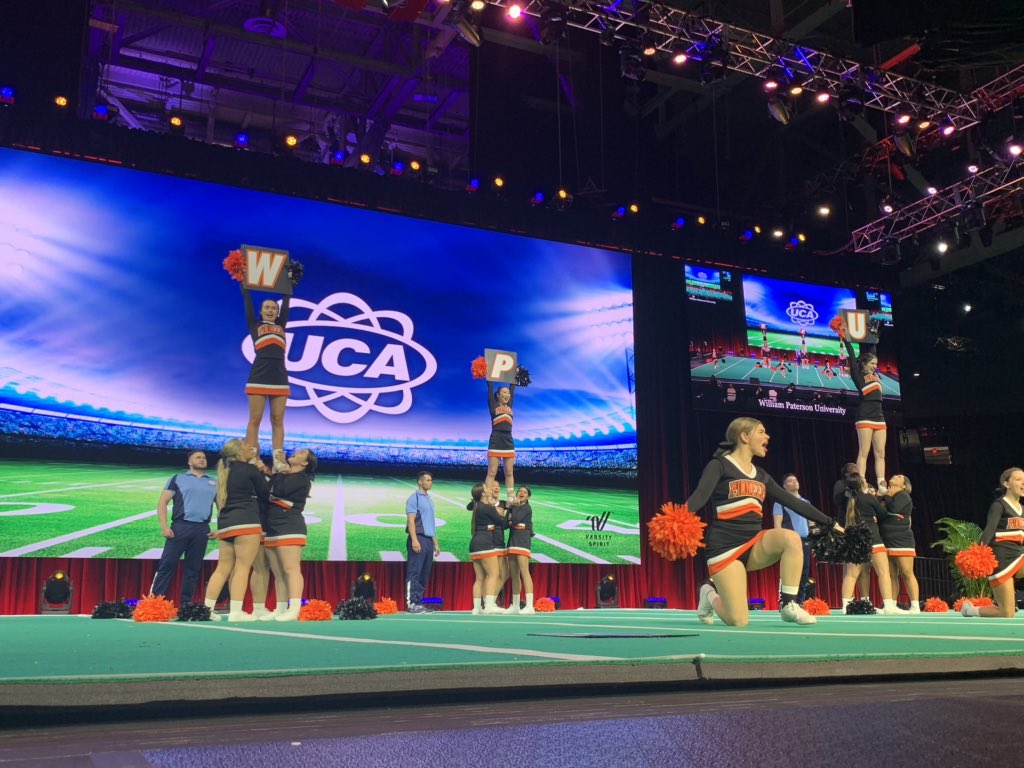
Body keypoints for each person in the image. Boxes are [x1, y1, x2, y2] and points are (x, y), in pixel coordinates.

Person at [691, 417, 842, 627]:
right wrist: (677, 520)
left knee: (790, 537)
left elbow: (794, 502)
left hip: (754, 543)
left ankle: (789, 605)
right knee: (737, 620)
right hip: (724, 549)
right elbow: (700, 496)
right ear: (744, 436)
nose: (767, 436)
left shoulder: (761, 475)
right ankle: (707, 593)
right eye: (761, 432)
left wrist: (831, 523)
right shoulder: (720, 465)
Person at [202, 440, 267, 621]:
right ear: (239, 452)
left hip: (226, 523)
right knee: (242, 567)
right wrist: (262, 472)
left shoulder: (225, 470)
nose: (251, 447)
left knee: (222, 568)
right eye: (247, 445)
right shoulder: (249, 469)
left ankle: (207, 610)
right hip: (246, 521)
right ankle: (236, 612)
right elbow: (265, 494)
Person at [149, 450, 217, 607]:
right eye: (198, 457)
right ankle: (155, 604)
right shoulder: (178, 478)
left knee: (193, 570)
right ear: (189, 462)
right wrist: (164, 526)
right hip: (180, 527)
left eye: (204, 457)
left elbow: (222, 507)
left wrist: (220, 528)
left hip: (202, 529)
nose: (202, 460)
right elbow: (162, 503)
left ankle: (186, 606)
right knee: (167, 565)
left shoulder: (214, 482)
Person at [262, 448, 317, 621]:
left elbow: (280, 491)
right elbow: (267, 492)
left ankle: (294, 608)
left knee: (290, 569)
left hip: (290, 526)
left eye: (301, 453)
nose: (295, 452)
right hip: (271, 525)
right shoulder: (283, 474)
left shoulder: (302, 479)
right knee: (278, 572)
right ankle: (280, 607)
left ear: (305, 463)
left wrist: (277, 471)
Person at [838, 474, 906, 615]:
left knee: (851, 575)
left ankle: (845, 606)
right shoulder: (869, 498)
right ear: (862, 484)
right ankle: (888, 606)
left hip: (854, 538)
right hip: (872, 537)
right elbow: (882, 513)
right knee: (883, 572)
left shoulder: (847, 499)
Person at [962, 467, 1024, 618]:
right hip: (1001, 558)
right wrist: (978, 556)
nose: (1023, 483)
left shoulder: (1022, 508)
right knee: (1007, 613)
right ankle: (969, 611)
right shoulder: (999, 505)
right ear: (1006, 484)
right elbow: (989, 531)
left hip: (1017, 555)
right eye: (1018, 479)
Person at [242, 283, 291, 472]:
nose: (270, 310)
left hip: (279, 376)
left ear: (277, 312)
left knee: (277, 419)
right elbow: (247, 300)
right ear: (261, 311)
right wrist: (242, 280)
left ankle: (279, 459)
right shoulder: (254, 324)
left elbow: (287, 301)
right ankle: (252, 457)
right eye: (267, 307)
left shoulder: (281, 325)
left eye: (274, 308)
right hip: (259, 374)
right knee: (255, 418)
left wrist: (289, 283)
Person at [837, 323, 887, 492]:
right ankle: (862, 484)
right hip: (864, 415)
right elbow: (852, 356)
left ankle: (881, 485)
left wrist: (874, 337)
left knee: (880, 453)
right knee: (864, 452)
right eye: (872, 363)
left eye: (876, 363)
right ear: (864, 364)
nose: (875, 365)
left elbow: (874, 350)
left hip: (879, 415)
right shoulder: (858, 375)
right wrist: (845, 338)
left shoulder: (875, 375)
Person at [880, 474, 920, 613]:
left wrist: (887, 495)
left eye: (899, 476)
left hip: (901, 539)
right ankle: (891, 605)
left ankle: (915, 606)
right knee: (891, 574)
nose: (895, 476)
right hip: (886, 539)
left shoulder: (903, 495)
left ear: (904, 485)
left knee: (906, 572)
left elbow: (894, 509)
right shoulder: (887, 496)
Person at [468, 481, 507, 615]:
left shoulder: (477, 507)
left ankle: (476, 608)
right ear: (483, 493)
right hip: (485, 543)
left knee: (479, 578)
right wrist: (502, 515)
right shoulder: (487, 507)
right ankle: (489, 605)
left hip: (474, 544)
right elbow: (500, 522)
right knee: (493, 574)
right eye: (486, 488)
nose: (489, 489)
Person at [772, 474, 812, 603]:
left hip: (805, 541)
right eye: (790, 481)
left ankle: (799, 601)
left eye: (796, 480)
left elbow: (811, 523)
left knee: (804, 572)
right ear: (784, 486)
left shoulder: (806, 503)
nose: (794, 482)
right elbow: (777, 524)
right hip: (790, 543)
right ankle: (785, 601)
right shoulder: (780, 502)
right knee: (789, 572)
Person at [406, 470, 441, 614]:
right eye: (427, 480)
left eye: (431, 480)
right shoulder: (414, 498)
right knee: (415, 571)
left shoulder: (429, 499)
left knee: (424, 573)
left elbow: (430, 523)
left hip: (428, 540)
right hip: (418, 538)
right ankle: (411, 603)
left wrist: (435, 543)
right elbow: (411, 520)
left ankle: (418, 602)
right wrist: (414, 539)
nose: (430, 482)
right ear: (420, 481)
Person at [485, 381, 516, 505]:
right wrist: (489, 377)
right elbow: (489, 387)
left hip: (508, 441)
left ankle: (510, 498)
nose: (507, 394)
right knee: (492, 472)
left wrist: (514, 379)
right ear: (497, 395)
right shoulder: (493, 406)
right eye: (504, 392)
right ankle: (487, 497)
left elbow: (513, 388)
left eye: (508, 393)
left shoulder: (510, 406)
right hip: (496, 440)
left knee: (509, 472)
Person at [506, 485, 536, 614]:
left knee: (524, 572)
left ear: (528, 496)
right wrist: (511, 509)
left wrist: (513, 513)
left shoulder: (526, 507)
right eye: (520, 491)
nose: (521, 493)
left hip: (523, 541)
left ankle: (530, 606)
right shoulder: (515, 506)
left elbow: (516, 520)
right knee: (514, 574)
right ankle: (516, 605)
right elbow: (504, 524)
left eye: (524, 492)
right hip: (512, 540)